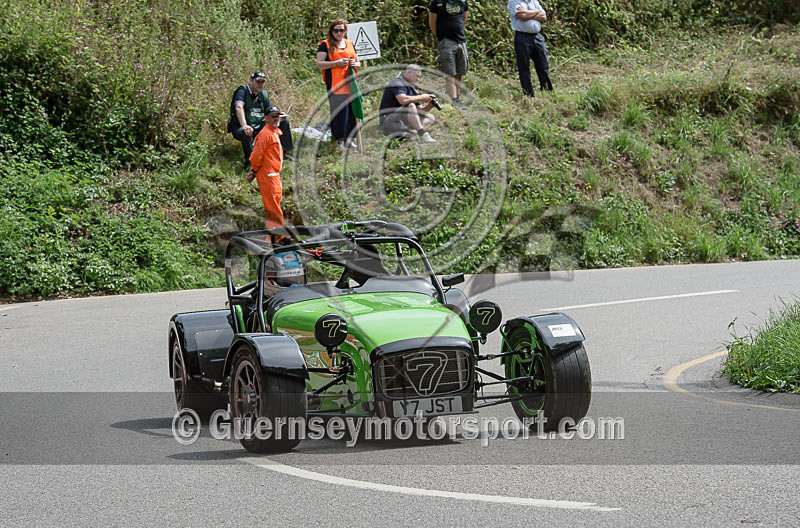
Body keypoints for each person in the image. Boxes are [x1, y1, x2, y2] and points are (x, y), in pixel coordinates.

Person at [228, 72, 293, 169]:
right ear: (251, 80)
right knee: (246, 132)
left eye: (262, 82)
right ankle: (250, 162)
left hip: (259, 125)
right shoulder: (242, 91)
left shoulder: (264, 94)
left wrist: (278, 115)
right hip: (241, 126)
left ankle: (283, 152)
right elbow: (238, 106)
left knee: (284, 121)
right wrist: (244, 125)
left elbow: (268, 112)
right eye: (258, 81)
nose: (260, 84)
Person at [315, 19, 361, 149]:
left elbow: (358, 62)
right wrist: (336, 63)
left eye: (341, 30)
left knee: (352, 110)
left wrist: (354, 64)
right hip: (335, 83)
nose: (339, 33)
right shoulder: (325, 44)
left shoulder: (350, 43)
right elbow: (319, 63)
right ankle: (340, 139)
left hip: (351, 83)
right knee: (340, 111)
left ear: (345, 31)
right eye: (336, 30)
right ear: (331, 31)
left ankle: (350, 138)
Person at [247, 107, 288, 229]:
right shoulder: (265, 134)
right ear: (266, 119)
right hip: (268, 176)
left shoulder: (274, 132)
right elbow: (256, 156)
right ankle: (276, 237)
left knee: (274, 205)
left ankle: (277, 236)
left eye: (277, 116)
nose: (276, 118)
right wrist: (254, 170)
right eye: (272, 116)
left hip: (274, 175)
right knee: (272, 207)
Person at [378, 65, 437, 143]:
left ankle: (411, 131)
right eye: (416, 76)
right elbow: (403, 100)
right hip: (388, 119)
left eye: (419, 77)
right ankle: (423, 133)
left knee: (431, 117)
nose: (418, 79)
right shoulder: (397, 83)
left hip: (402, 119)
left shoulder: (412, 89)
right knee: (411, 105)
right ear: (409, 72)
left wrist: (430, 106)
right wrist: (422, 97)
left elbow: (419, 111)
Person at [507, 0, 553, 97]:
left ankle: (546, 91)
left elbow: (544, 17)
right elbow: (521, 16)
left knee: (543, 65)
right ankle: (528, 95)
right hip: (522, 37)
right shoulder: (513, 1)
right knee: (524, 67)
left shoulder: (534, 1)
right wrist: (536, 12)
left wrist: (527, 12)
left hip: (537, 37)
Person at [428, 0, 468, 108]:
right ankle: (454, 100)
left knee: (459, 71)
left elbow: (464, 19)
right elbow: (432, 22)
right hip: (446, 41)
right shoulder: (436, 2)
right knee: (450, 72)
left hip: (461, 40)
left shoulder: (463, 1)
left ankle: (458, 99)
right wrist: (440, 37)